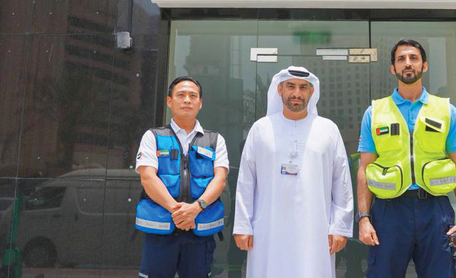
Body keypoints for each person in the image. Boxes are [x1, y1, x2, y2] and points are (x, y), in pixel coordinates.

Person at [357, 39, 456, 278]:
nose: (407, 63)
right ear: (393, 68)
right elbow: (364, 169)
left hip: (434, 210)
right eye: (401, 59)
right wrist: (364, 219)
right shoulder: (375, 112)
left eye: (413, 58)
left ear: (424, 66)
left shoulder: (447, 111)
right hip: (389, 212)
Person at [233, 66, 354, 278]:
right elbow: (246, 180)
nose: (297, 93)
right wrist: (243, 225)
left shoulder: (328, 129)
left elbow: (341, 181)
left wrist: (340, 227)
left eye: (303, 87)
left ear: (311, 92)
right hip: (268, 228)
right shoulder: (261, 129)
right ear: (280, 90)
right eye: (291, 86)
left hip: (315, 228)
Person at [135, 77, 229, 278]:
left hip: (199, 234)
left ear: (200, 103)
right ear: (169, 101)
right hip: (160, 233)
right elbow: (148, 178)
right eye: (181, 95)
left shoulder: (215, 140)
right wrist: (178, 212)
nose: (187, 100)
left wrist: (195, 209)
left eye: (193, 96)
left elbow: (220, 180)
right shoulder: (153, 137)